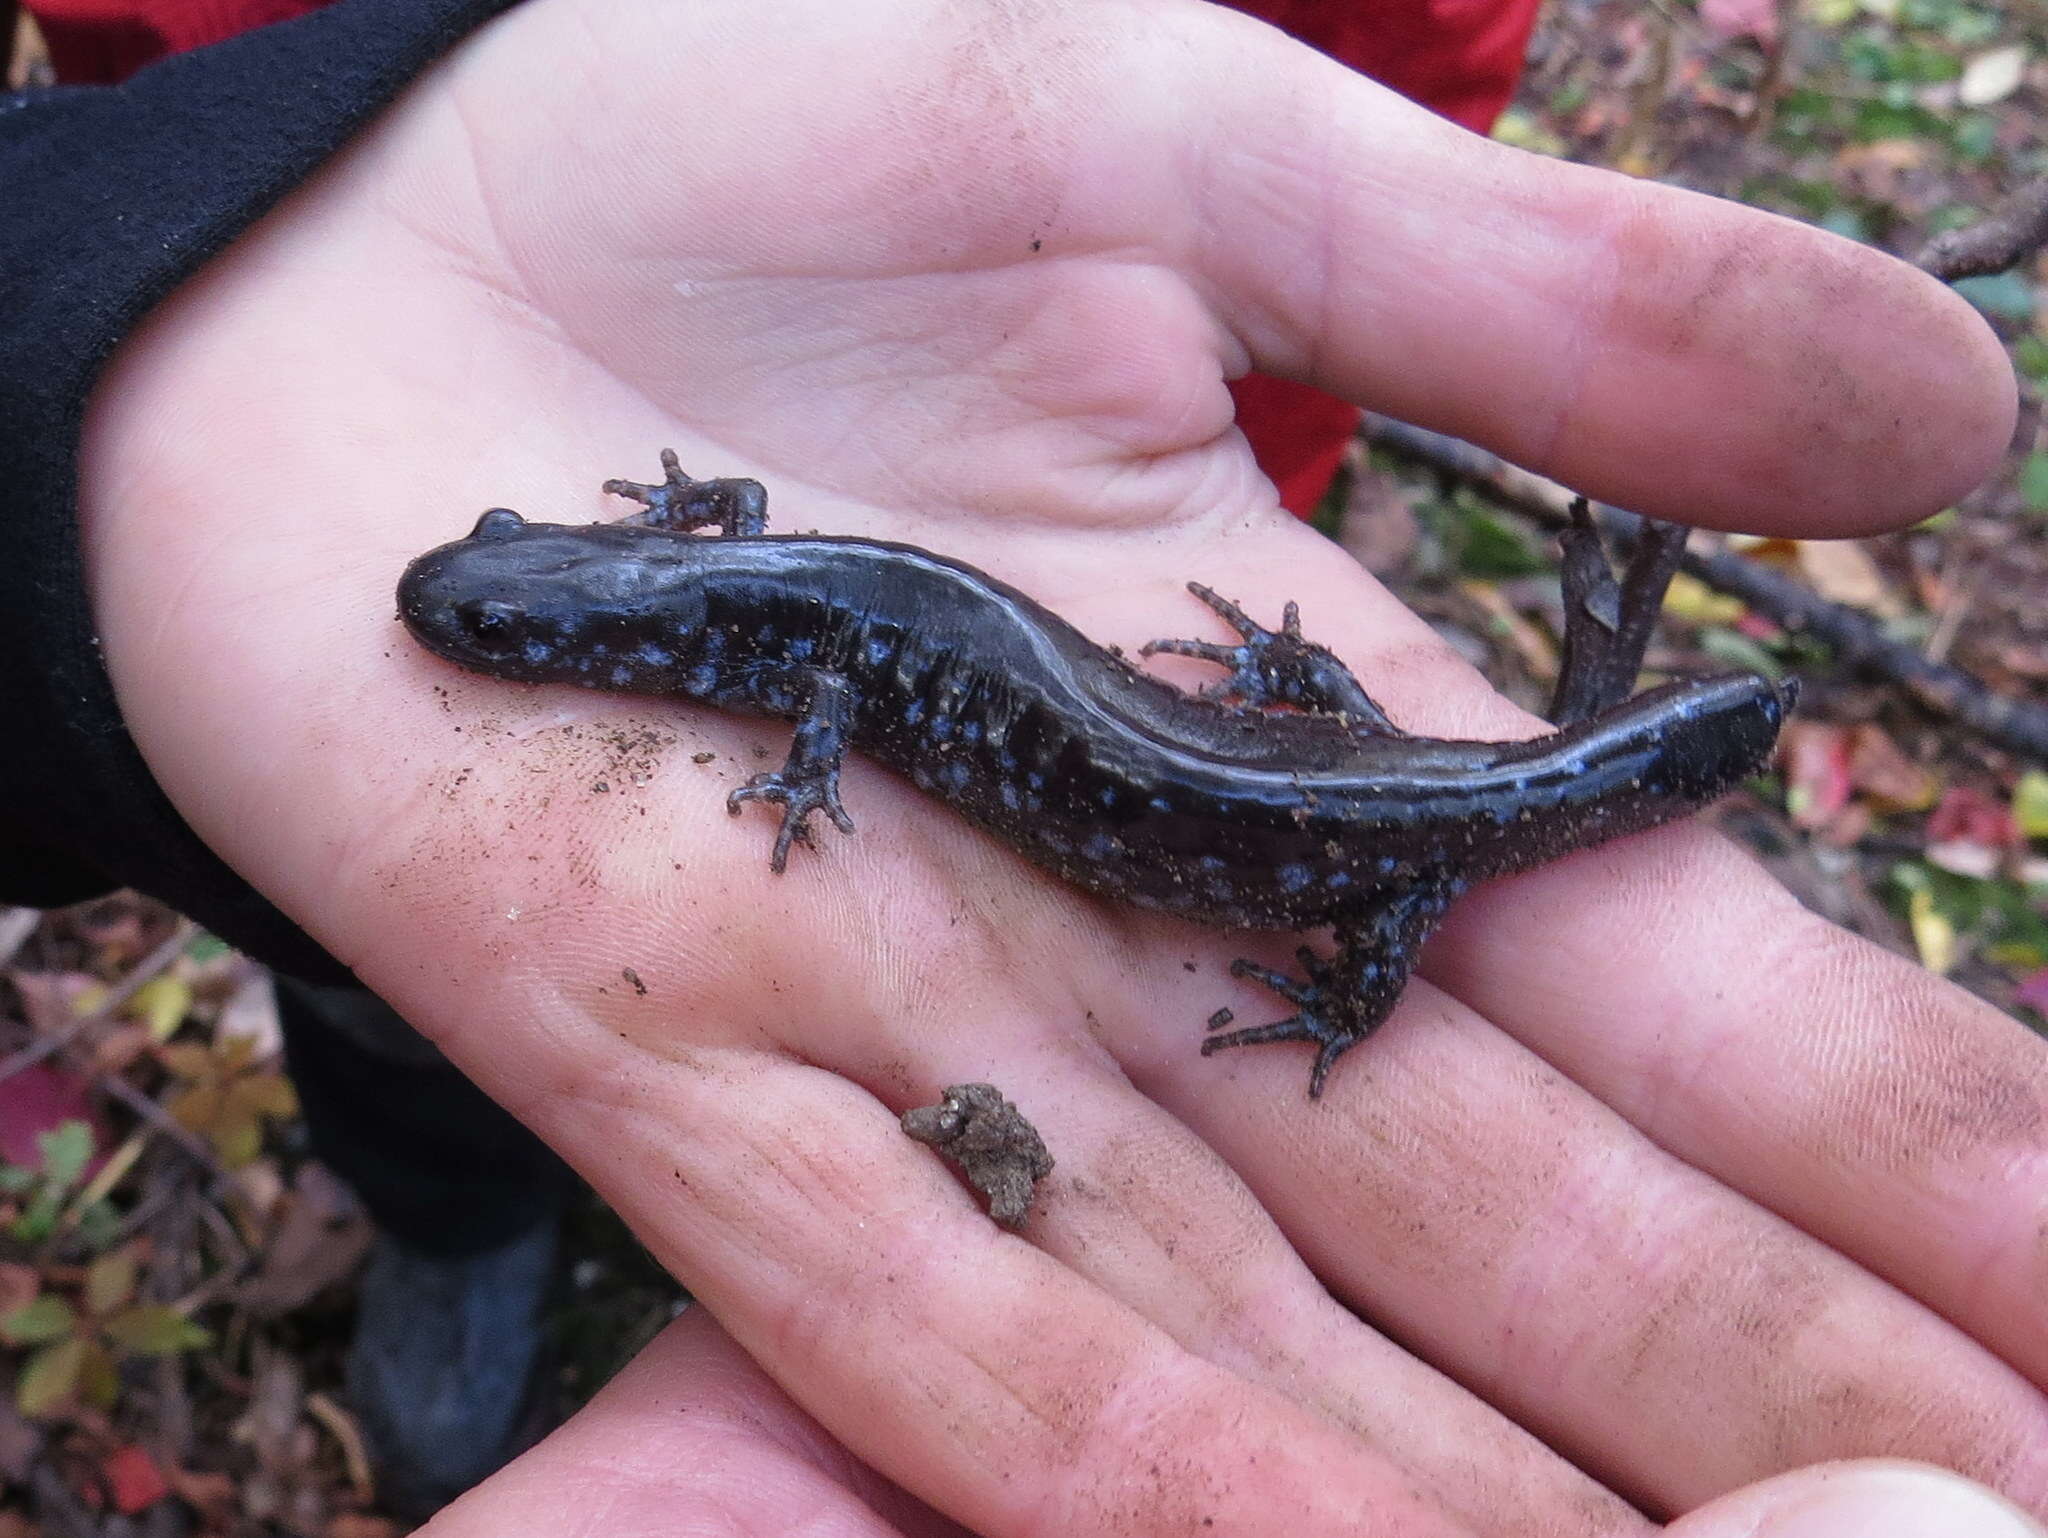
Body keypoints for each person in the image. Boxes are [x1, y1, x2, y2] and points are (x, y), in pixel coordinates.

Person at [4, 1, 2045, 1534]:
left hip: (1321, 812)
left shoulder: (719, 611)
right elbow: (747, 570)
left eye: (498, 621)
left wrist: (1340, 984)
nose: (485, 628)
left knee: (1411, 858)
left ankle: (1404, 912)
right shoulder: (707, 582)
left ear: (588, 614)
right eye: (494, 609)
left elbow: (803, 665)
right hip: (1274, 750)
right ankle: (456, 1210)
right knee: (1384, 779)